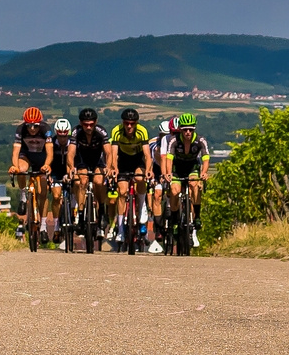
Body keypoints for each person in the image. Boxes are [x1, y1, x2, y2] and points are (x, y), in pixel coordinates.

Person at [106, 107, 158, 251]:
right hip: (123, 160)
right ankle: (121, 230)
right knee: (122, 192)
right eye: (127, 123)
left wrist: (148, 170)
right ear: (123, 122)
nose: (129, 126)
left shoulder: (142, 131)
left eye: (132, 123)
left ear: (136, 123)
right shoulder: (117, 131)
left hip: (137, 160)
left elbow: (148, 155)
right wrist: (114, 168)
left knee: (140, 179)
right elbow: (114, 153)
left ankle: (141, 209)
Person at [160, 113, 211, 228]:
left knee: (194, 184)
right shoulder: (174, 140)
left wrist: (204, 172)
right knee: (174, 191)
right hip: (177, 168)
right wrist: (168, 173)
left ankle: (197, 216)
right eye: (185, 130)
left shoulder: (200, 140)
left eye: (190, 129)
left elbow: (206, 158)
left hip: (192, 166)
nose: (188, 132)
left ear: (194, 129)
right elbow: (169, 158)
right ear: (181, 130)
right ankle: (174, 217)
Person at [11, 107, 52, 241]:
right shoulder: (20, 130)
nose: (32, 129)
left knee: (42, 192)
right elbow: (15, 152)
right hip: (27, 156)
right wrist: (15, 167)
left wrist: (46, 165)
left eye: (35, 126)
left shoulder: (46, 129)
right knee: (21, 169)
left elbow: (50, 152)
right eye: (29, 125)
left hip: (41, 159)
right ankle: (23, 195)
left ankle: (44, 226)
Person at [71, 108, 108, 239]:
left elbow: (108, 152)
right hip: (82, 160)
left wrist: (110, 166)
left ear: (96, 122)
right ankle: (81, 216)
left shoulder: (101, 131)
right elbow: (71, 153)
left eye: (91, 124)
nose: (88, 127)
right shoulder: (76, 132)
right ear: (81, 123)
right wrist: (71, 167)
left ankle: (102, 211)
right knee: (82, 182)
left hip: (97, 160)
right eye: (86, 124)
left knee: (98, 181)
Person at [47, 118, 75, 246]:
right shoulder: (51, 143)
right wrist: (49, 175)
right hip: (56, 172)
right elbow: (48, 160)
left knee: (76, 189)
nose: (62, 138)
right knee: (56, 196)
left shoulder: (74, 144)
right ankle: (57, 226)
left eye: (65, 135)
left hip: (69, 171)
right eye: (60, 135)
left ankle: (74, 214)